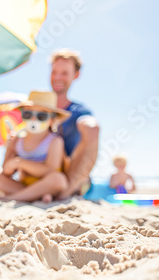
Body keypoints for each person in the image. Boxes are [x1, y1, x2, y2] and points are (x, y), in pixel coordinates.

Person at [0, 91, 70, 203]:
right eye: (28, 114)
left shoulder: (55, 141)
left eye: (41, 116)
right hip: (24, 185)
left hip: (47, 184)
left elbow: (50, 170)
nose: (33, 119)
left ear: (52, 120)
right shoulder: (17, 140)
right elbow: (6, 171)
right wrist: (9, 149)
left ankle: (14, 197)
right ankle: (35, 196)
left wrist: (20, 162)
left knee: (58, 179)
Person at [49, 49, 100, 200]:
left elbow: (90, 124)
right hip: (43, 174)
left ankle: (65, 194)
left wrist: (90, 125)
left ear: (75, 75)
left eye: (64, 73)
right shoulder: (38, 110)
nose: (58, 77)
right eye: (54, 72)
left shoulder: (78, 111)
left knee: (92, 128)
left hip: (70, 177)